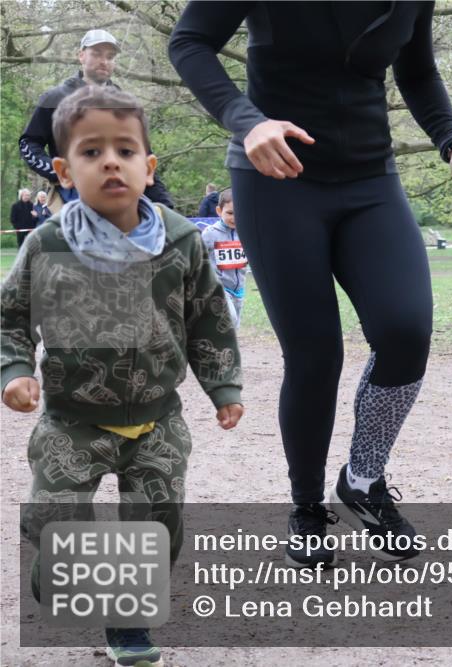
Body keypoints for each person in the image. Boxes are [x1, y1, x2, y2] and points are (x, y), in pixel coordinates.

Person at [169, 1, 452, 565]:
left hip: (369, 176)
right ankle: (307, 505)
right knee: (315, 354)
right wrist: (247, 121)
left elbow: (417, 69)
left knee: (406, 329)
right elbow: (189, 42)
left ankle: (362, 480)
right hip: (275, 178)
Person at [1, 85, 244, 666]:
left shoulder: (182, 241)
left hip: (158, 420)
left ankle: (127, 624)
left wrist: (223, 386)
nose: (111, 161)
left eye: (126, 150)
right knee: (53, 519)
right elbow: (9, 316)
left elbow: (209, 317)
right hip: (72, 422)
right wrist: (14, 370)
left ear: (148, 164)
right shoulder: (47, 243)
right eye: (91, 152)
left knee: (158, 528)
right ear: (62, 170)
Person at [19, 28, 174, 212]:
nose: (104, 61)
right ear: (81, 55)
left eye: (110, 56)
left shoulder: (125, 104)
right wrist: (57, 172)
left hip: (119, 195)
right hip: (69, 198)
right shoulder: (55, 98)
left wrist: (165, 207)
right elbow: (29, 142)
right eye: (97, 54)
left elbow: (142, 157)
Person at [201, 188, 246, 327]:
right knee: (229, 318)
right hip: (218, 286)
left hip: (239, 287)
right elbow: (198, 256)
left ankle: (224, 346)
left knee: (234, 325)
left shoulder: (246, 232)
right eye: (230, 213)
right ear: (219, 211)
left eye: (239, 213)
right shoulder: (210, 233)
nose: (234, 218)